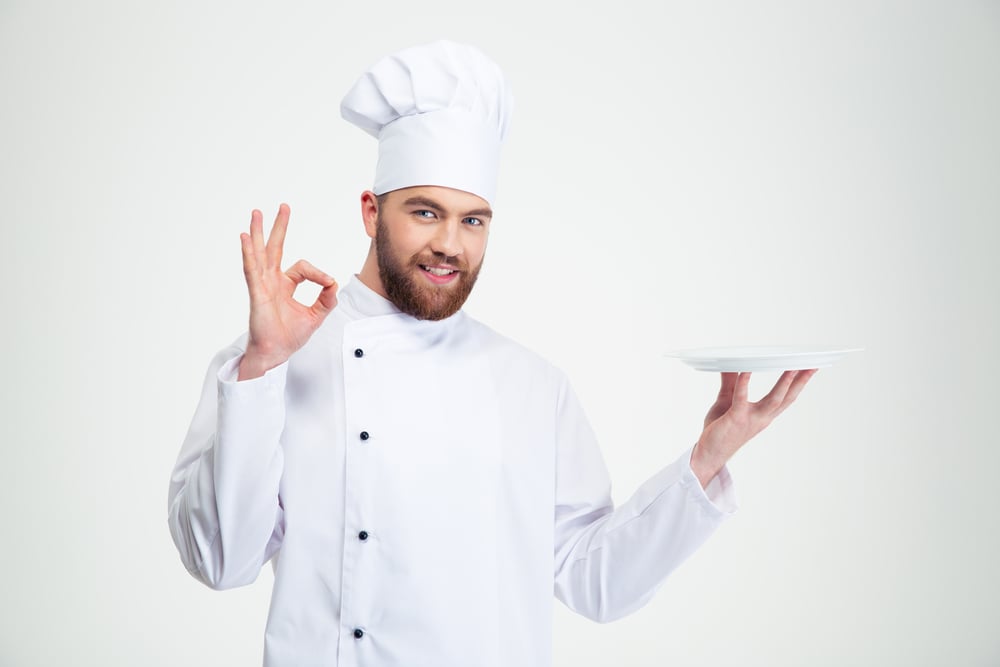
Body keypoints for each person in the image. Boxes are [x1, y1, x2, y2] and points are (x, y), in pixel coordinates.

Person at [167, 40, 815, 666]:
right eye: (425, 212)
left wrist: (705, 460)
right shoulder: (272, 360)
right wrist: (261, 368)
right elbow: (220, 562)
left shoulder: (533, 386)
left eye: (473, 219)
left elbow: (597, 581)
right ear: (371, 211)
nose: (450, 243)